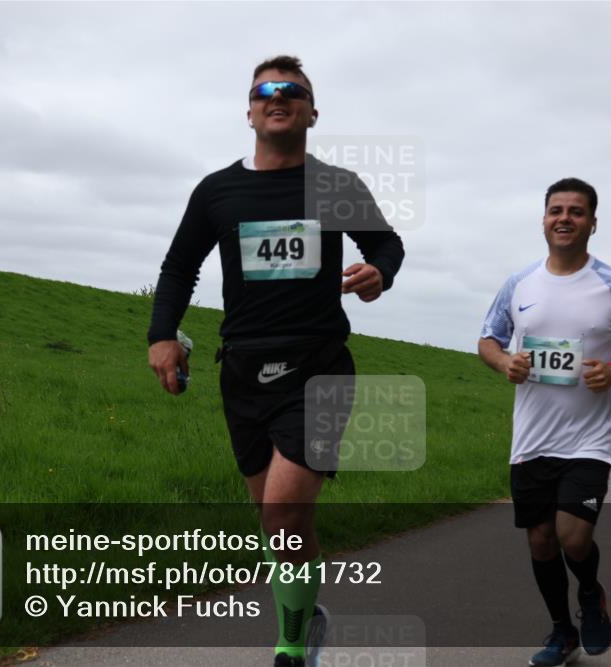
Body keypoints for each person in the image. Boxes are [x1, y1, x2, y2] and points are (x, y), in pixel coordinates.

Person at [147, 55, 405, 667]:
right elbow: (180, 267)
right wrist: (161, 335)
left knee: (285, 509)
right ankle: (306, 609)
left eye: (294, 90)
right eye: (266, 89)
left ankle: (291, 647)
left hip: (318, 367)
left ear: (313, 112)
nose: (278, 95)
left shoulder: (335, 185)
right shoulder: (217, 190)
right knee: (278, 524)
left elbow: (386, 243)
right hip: (241, 369)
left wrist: (379, 273)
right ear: (250, 110)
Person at [478, 178, 611, 667]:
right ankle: (562, 632)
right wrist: (504, 364)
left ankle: (590, 593)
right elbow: (487, 340)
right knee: (540, 541)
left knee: (572, 535)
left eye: (576, 211)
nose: (564, 218)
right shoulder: (519, 284)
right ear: (543, 219)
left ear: (592, 223)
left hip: (587, 439)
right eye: (556, 210)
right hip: (530, 440)